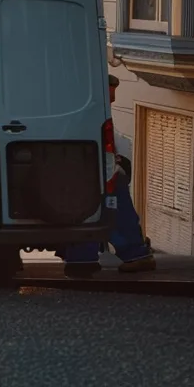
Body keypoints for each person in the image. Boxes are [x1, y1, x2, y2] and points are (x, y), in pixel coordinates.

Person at [61, 74, 158, 277]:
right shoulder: (93, 110)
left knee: (93, 213)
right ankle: (132, 255)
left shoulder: (82, 109)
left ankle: (83, 259)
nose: (113, 95)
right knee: (109, 214)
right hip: (103, 171)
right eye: (111, 90)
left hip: (97, 172)